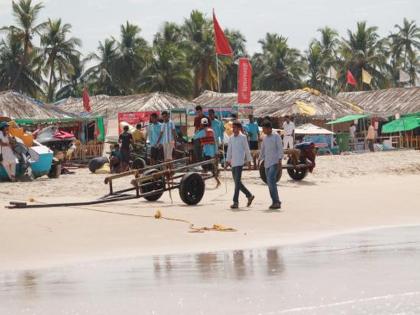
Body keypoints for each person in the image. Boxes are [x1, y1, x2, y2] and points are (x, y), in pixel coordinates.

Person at [226, 121, 254, 209]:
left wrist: (249, 162)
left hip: (239, 162)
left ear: (239, 128)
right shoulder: (231, 138)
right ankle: (249, 195)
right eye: (232, 128)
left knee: (237, 183)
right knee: (237, 182)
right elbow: (229, 150)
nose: (233, 129)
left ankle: (235, 202)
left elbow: (247, 150)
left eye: (235, 127)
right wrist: (227, 161)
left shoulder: (243, 137)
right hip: (233, 163)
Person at [259, 120, 283, 210]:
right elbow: (263, 150)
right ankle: (275, 201)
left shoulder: (276, 136)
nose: (263, 131)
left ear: (269, 128)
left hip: (275, 162)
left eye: (264, 129)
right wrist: (259, 159)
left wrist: (280, 161)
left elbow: (280, 149)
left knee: (271, 180)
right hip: (267, 163)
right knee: (269, 182)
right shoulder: (265, 138)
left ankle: (276, 202)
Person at [193, 117, 221, 187]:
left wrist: (198, 130)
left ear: (202, 124)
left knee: (205, 167)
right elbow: (215, 142)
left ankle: (206, 183)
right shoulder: (211, 130)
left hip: (206, 152)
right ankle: (213, 181)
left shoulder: (203, 132)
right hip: (212, 152)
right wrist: (216, 152)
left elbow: (195, 137)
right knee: (209, 168)